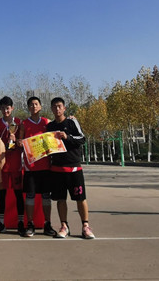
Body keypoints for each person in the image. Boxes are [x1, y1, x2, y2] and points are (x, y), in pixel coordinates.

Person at [47, 97, 95, 239]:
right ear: (51, 109)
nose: (57, 109)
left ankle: (85, 226)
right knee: (60, 199)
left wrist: (67, 137)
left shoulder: (72, 122)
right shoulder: (50, 127)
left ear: (64, 108)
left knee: (81, 198)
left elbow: (82, 139)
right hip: (57, 169)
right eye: (54, 107)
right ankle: (64, 226)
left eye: (59, 106)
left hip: (74, 168)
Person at [17, 96, 56, 237]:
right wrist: (19, 142)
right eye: (31, 105)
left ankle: (47, 223)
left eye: (36, 104)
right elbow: (20, 141)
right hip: (31, 167)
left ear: (40, 106)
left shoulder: (47, 122)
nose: (33, 106)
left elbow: (54, 136)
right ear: (28, 108)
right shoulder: (24, 124)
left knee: (46, 196)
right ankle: (30, 224)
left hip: (45, 166)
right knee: (30, 196)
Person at [0, 96, 25, 235]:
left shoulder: (19, 122)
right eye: (3, 108)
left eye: (8, 108)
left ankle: (20, 222)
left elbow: (22, 142)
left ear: (12, 108)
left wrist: (16, 140)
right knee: (2, 194)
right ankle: (1, 223)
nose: (5, 110)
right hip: (2, 165)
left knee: (18, 194)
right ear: (0, 109)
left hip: (16, 164)